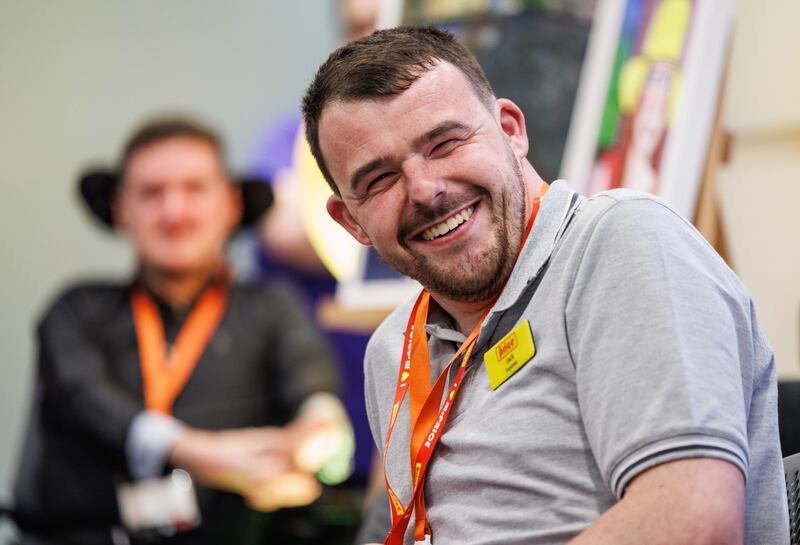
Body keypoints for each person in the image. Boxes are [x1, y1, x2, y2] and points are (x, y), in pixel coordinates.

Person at [300, 26, 789, 545]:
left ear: (511, 129)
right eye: (379, 179)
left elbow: (691, 523)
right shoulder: (394, 350)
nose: (425, 190)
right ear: (350, 222)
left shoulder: (619, 243)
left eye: (444, 143)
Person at [12, 117, 352, 545]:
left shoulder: (271, 306)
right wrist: (204, 455)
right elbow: (88, 396)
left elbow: (311, 381)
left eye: (195, 189)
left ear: (230, 204)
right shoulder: (75, 311)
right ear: (120, 208)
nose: (174, 212)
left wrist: (317, 432)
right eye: (151, 193)